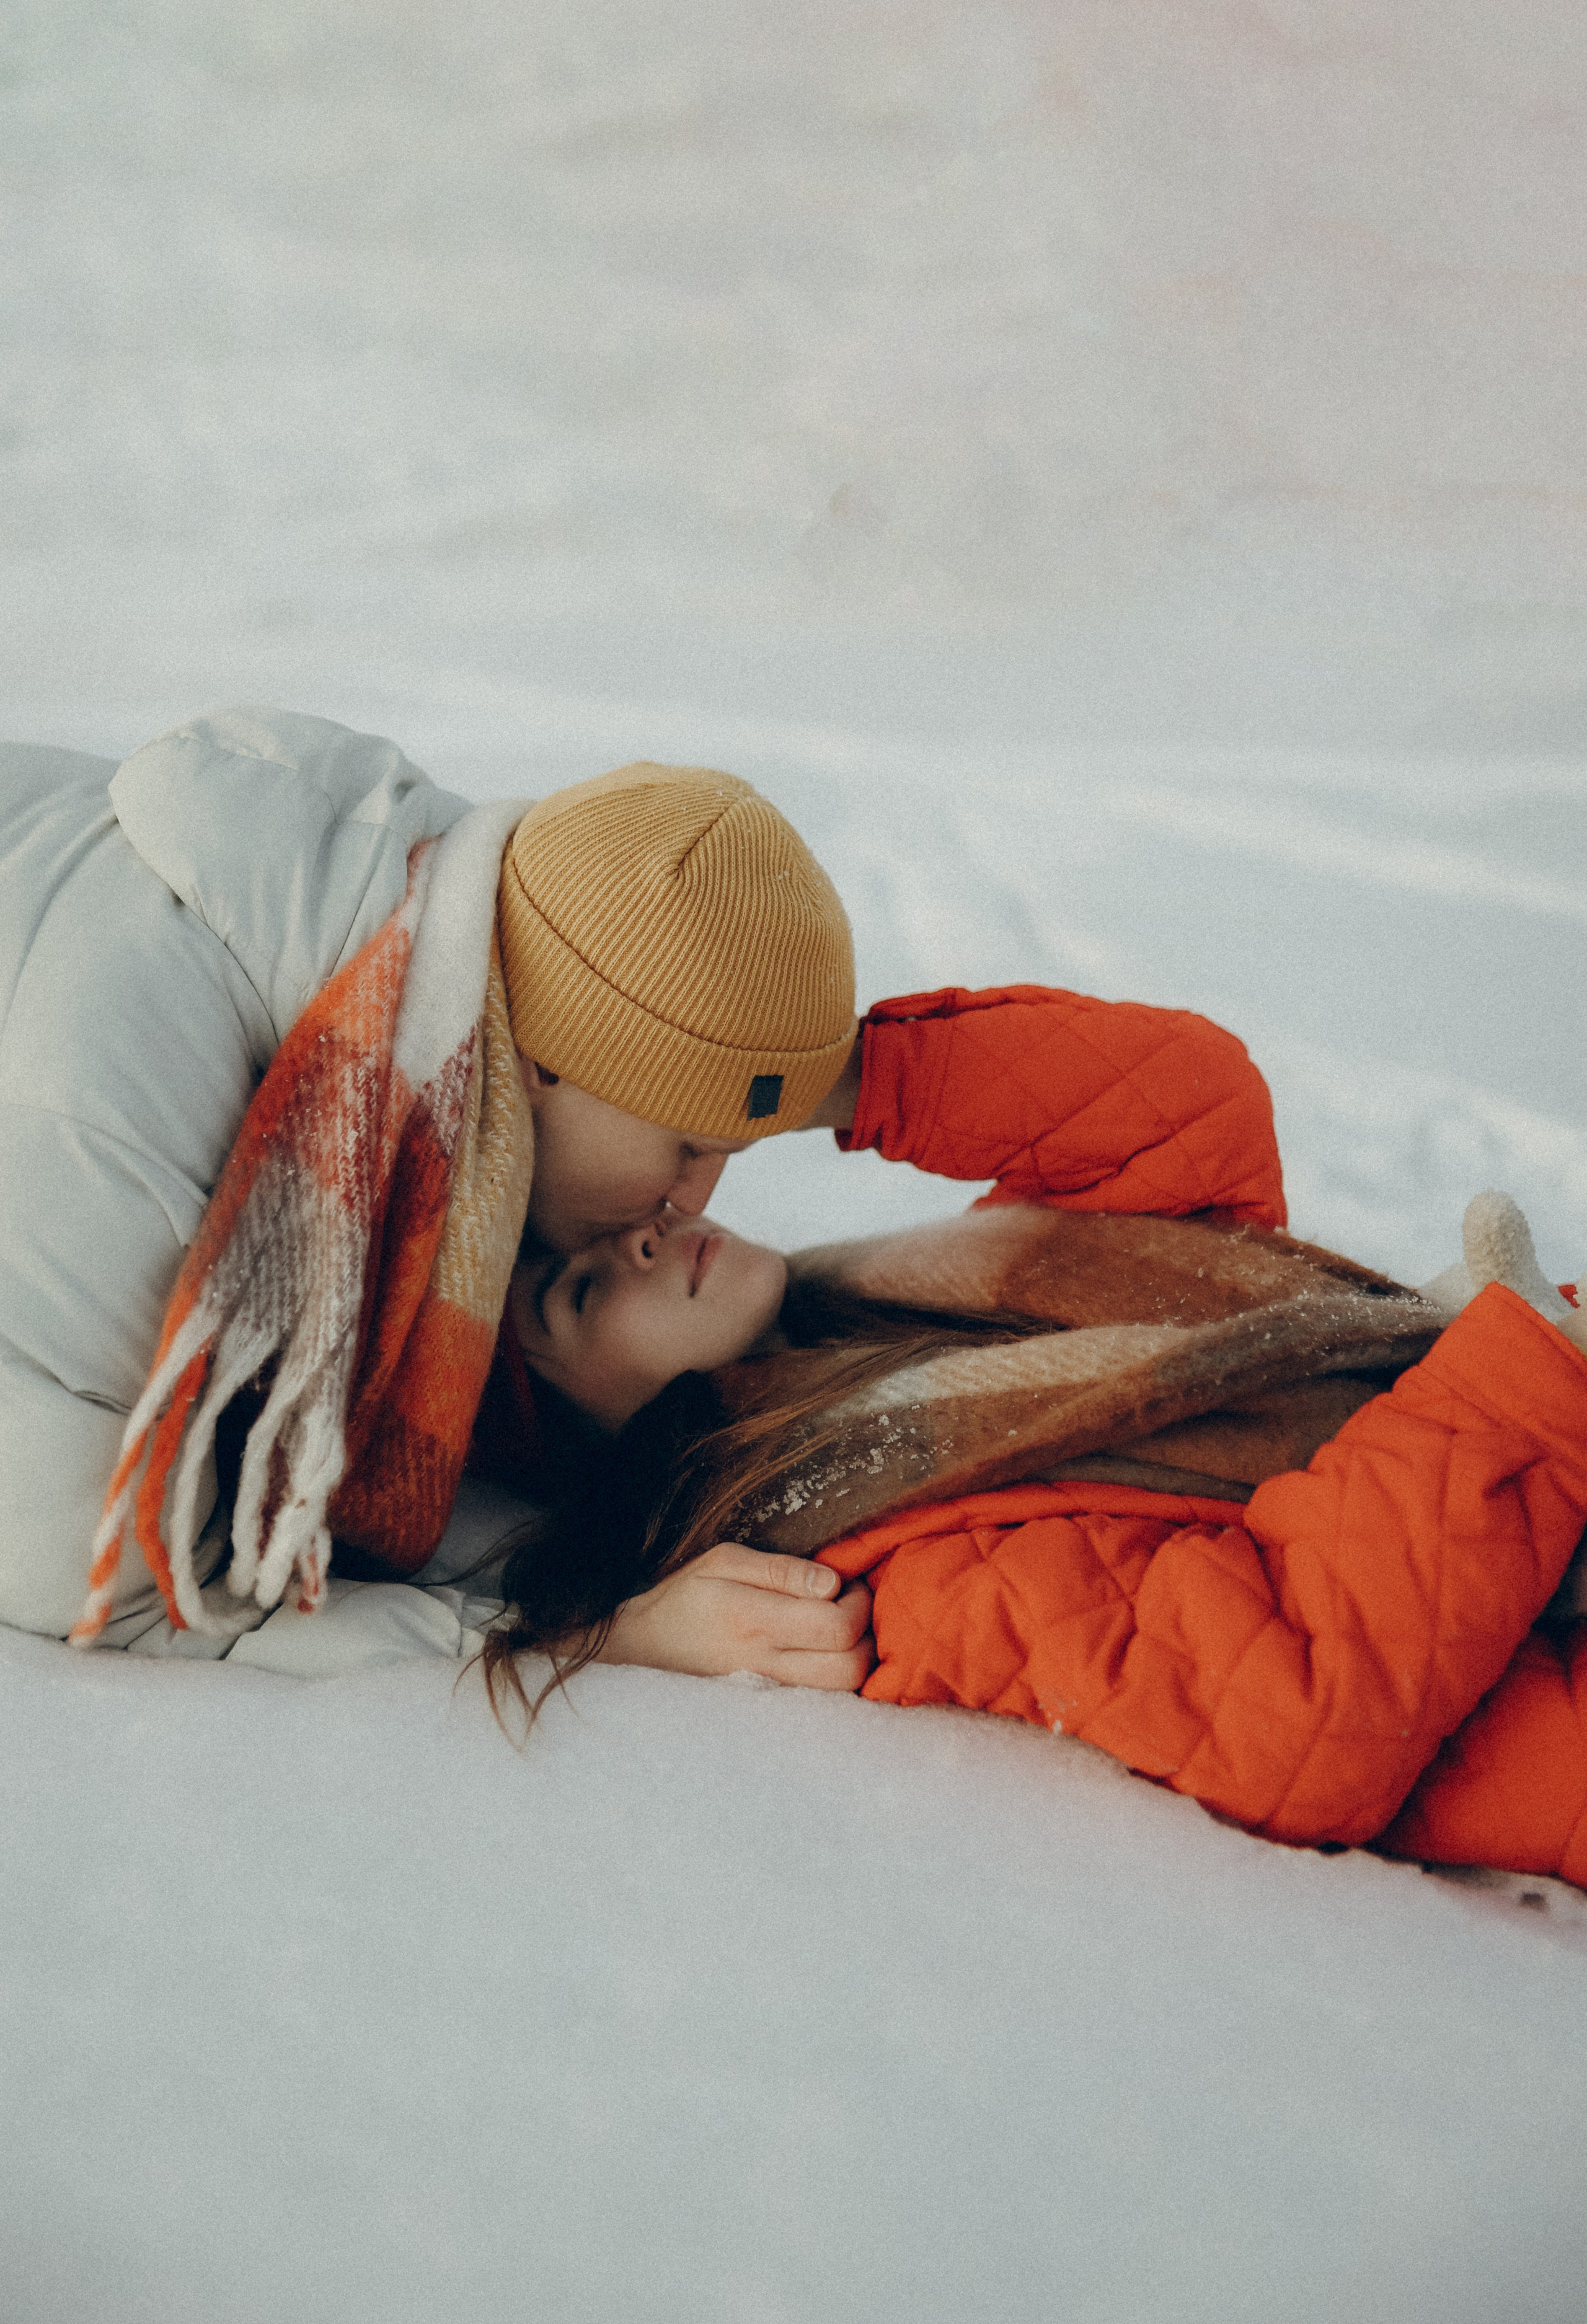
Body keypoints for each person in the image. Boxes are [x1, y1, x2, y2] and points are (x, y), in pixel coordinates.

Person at [483, 980, 1587, 1891]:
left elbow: (1188, 1115)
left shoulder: (927, 1318)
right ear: (596, 1449)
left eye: (623, 1217)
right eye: (578, 1295)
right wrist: (1514, 1391)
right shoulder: (889, 1553)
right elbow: (1285, 1718)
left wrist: (790, 1075)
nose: (648, 1233)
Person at [0, 710, 865, 1678]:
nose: (694, 1196)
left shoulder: (469, 919)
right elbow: (116, 1590)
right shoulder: (114, 1141)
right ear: (544, 1063)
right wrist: (596, 1643)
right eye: (689, 1146)